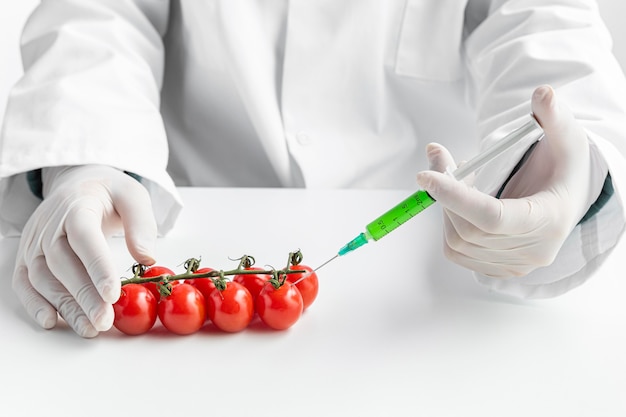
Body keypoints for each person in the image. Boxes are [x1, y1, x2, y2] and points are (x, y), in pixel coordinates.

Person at [0, 1, 625, 338]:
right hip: (185, 208)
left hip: (439, 269)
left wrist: (561, 176)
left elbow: (548, 31)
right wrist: (86, 158)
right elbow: (101, 15)